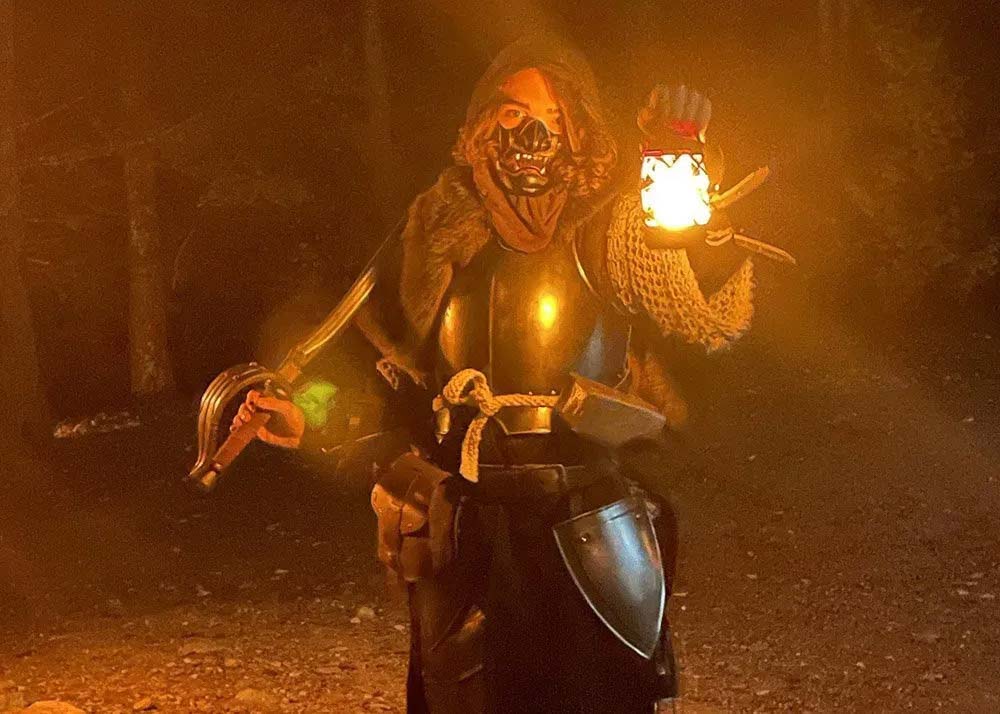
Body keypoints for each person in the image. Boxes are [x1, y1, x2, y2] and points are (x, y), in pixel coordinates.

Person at [234, 37, 754, 714]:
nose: (533, 134)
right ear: (482, 126)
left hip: (585, 528)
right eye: (513, 114)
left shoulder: (613, 232)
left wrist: (684, 165)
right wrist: (310, 413)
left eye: (554, 116)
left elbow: (692, 290)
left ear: (579, 130)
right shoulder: (434, 241)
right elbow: (384, 385)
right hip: (466, 532)